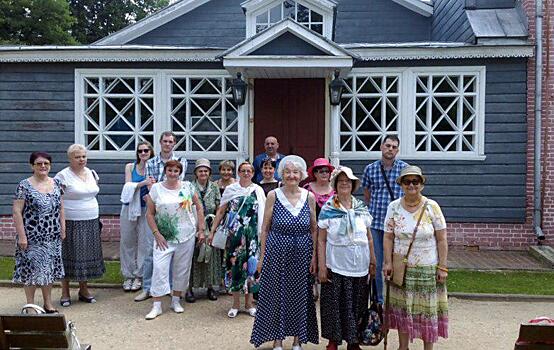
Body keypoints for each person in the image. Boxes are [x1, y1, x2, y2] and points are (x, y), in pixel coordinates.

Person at [251, 155, 319, 350]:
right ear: (282, 174)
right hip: (277, 250)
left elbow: (314, 228)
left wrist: (314, 256)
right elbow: (265, 228)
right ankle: (278, 339)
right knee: (277, 294)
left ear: (302, 175)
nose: (291, 175)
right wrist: (262, 257)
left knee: (300, 295)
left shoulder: (309, 197)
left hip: (302, 251)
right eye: (288, 172)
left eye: (295, 172)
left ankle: (298, 340)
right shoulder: (274, 195)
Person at [383, 166, 448, 350]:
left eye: (415, 181)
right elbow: (388, 236)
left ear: (421, 184)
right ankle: (403, 347)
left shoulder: (432, 207)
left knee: (427, 311)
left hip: (427, 267)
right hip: (401, 268)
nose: (411, 185)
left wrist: (442, 267)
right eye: (407, 181)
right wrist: (387, 262)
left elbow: (442, 238)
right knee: (404, 309)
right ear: (401, 185)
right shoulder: (393, 207)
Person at [317, 166, 377, 350]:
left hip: (359, 264)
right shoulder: (328, 208)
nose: (345, 183)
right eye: (341, 181)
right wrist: (321, 266)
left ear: (353, 185)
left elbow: (368, 237)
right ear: (335, 184)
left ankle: (353, 341)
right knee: (335, 305)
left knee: (357, 304)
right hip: (336, 264)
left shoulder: (360, 208)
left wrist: (373, 260)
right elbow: (321, 240)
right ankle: (334, 341)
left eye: (348, 181)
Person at [144, 160, 205, 320]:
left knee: (182, 268)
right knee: (159, 268)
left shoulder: (187, 187)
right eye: (170, 170)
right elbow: (149, 213)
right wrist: (156, 233)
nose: (172, 173)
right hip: (164, 237)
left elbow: (198, 207)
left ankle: (176, 300)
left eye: (176, 171)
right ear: (165, 171)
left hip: (186, 235)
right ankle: (156, 305)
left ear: (180, 172)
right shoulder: (156, 188)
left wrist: (201, 229)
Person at [135, 131, 188, 302]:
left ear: (174, 143)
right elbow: (152, 185)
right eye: (165, 141)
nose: (167, 144)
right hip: (156, 208)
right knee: (152, 251)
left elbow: (179, 185)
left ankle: (171, 288)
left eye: (171, 141)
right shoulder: (151, 162)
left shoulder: (182, 161)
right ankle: (148, 287)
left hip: (175, 212)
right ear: (160, 142)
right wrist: (156, 197)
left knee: (174, 251)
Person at [208, 161, 265, 318]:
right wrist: (212, 231)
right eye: (243, 171)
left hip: (253, 236)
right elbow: (220, 212)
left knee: (251, 269)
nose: (246, 173)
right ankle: (235, 304)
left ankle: (249, 304)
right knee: (234, 268)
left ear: (253, 174)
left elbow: (264, 213)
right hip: (235, 236)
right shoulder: (231, 189)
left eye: (249, 171)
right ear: (238, 173)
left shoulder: (257, 190)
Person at [12, 152, 65, 313]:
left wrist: (63, 228)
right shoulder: (24, 185)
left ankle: (48, 303)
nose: (43, 166)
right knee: (31, 271)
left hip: (52, 236)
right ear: (32, 166)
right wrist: (22, 236)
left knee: (48, 270)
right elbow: (16, 211)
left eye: (46, 163)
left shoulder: (57, 183)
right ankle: (30, 305)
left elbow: (61, 207)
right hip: (31, 236)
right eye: (39, 163)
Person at [55, 144, 105, 307]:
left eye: (83, 156)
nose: (81, 159)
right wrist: (61, 224)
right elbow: (58, 201)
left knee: (85, 256)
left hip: (91, 220)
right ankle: (65, 292)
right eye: (77, 157)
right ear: (70, 158)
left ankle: (84, 290)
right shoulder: (62, 176)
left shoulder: (92, 173)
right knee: (68, 255)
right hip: (71, 221)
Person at [362, 135, 408, 304]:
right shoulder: (370, 169)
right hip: (375, 223)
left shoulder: (405, 169)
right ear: (381, 147)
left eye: (394, 146)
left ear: (397, 150)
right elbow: (367, 195)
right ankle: (379, 301)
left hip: (397, 225)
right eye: (388, 145)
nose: (390, 149)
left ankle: (397, 299)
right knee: (377, 263)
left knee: (398, 263)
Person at [119, 141, 155, 292]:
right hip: (130, 207)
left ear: (151, 152)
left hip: (146, 208)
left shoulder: (154, 166)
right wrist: (143, 183)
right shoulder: (130, 167)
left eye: (146, 151)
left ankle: (139, 275)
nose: (143, 153)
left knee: (144, 242)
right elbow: (128, 186)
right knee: (127, 241)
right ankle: (128, 275)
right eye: (140, 151)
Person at [185, 158, 222, 303]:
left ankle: (210, 287)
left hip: (211, 224)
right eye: (200, 171)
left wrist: (215, 226)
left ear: (209, 173)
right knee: (193, 256)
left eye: (206, 171)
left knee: (211, 257)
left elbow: (219, 207)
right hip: (193, 225)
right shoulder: (189, 187)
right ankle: (189, 289)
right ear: (196, 173)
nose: (203, 173)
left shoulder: (214, 187)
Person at [304, 157, 335, 302]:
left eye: (326, 171)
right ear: (314, 173)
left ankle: (326, 288)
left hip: (330, 232)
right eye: (320, 171)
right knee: (311, 257)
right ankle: (312, 289)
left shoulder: (335, 190)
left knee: (326, 257)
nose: (324, 173)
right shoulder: (306, 189)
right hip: (311, 230)